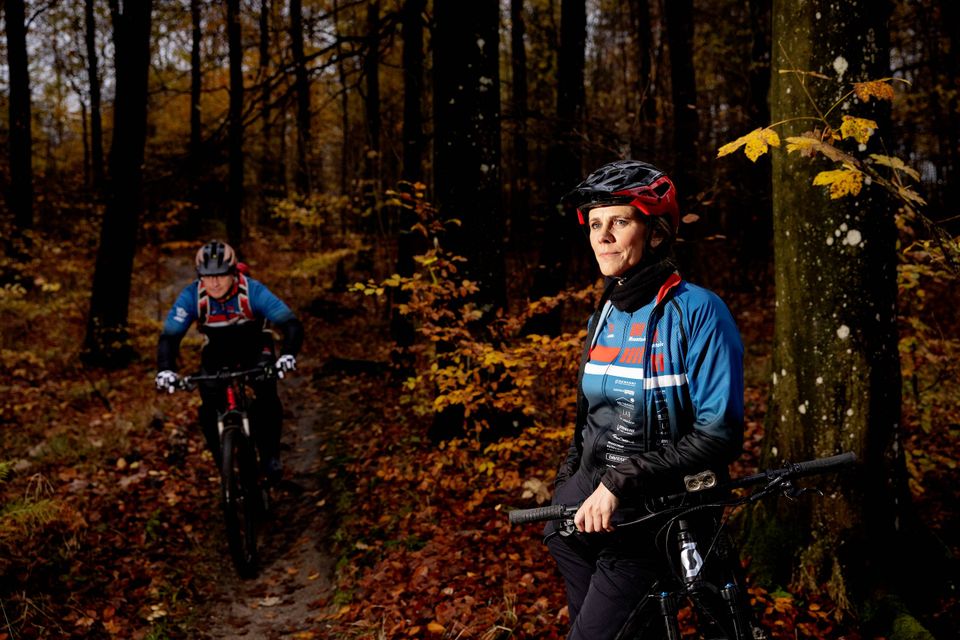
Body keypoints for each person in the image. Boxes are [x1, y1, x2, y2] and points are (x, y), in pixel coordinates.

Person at [545, 160, 745, 639]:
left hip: (652, 518)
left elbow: (719, 434)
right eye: (594, 224)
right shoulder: (604, 314)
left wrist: (620, 481)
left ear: (655, 233)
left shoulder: (699, 311)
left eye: (619, 221)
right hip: (578, 522)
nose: (602, 237)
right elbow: (587, 419)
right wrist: (566, 484)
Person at [154, 239, 304, 484]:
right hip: (217, 350)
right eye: (207, 276)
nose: (214, 283)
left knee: (266, 391)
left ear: (233, 273)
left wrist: (288, 355)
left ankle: (270, 455)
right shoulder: (192, 295)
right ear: (199, 276)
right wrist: (165, 369)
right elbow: (170, 337)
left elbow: (291, 324)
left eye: (221, 275)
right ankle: (224, 468)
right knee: (207, 409)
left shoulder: (252, 290)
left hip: (255, 346)